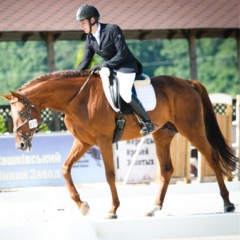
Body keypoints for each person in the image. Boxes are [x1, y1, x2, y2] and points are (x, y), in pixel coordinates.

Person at [75, 4, 154, 136]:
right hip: (112, 68)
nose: (81, 26)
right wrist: (71, 75)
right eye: (80, 24)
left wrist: (105, 65)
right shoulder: (90, 39)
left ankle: (147, 122)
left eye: (83, 23)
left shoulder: (112, 29)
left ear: (92, 20)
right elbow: (85, 62)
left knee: (124, 92)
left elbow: (122, 54)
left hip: (126, 66)